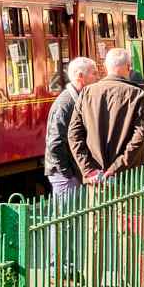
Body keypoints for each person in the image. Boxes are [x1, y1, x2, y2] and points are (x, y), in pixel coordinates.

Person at [67, 48, 144, 287]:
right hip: (127, 177)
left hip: (96, 180)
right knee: (128, 234)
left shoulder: (87, 93)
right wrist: (117, 168)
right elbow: (139, 137)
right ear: (127, 68)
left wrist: (89, 169)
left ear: (106, 67)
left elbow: (74, 135)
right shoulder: (137, 95)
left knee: (95, 233)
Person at [43, 57, 98, 201]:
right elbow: (55, 143)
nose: (97, 78)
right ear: (80, 76)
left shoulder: (76, 99)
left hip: (72, 172)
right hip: (65, 175)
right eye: (94, 73)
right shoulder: (66, 103)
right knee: (69, 213)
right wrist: (67, 173)